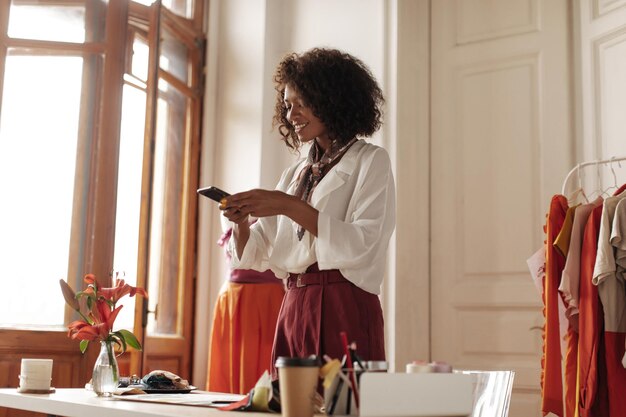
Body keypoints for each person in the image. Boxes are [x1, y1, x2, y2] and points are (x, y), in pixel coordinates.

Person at [220, 47, 396, 376]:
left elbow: (364, 243)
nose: (291, 115)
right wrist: (242, 223)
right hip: (294, 304)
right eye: (287, 106)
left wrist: (289, 206)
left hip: (346, 303)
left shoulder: (370, 161)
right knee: (288, 406)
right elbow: (256, 254)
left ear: (331, 99)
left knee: (345, 408)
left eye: (301, 103)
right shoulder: (295, 174)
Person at [206, 217, 285, 394]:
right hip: (233, 299)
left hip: (267, 299)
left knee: (266, 360)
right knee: (230, 361)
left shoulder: (276, 218)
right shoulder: (230, 218)